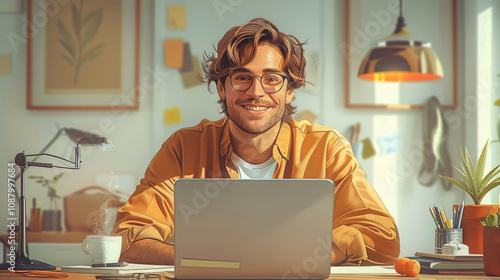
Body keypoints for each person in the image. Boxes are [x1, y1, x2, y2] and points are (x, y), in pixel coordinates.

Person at [111, 17, 400, 266]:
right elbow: (127, 237)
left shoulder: (326, 149)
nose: (256, 92)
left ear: (290, 91)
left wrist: (305, 259)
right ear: (222, 88)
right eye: (242, 78)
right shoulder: (184, 148)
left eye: (271, 78)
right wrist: (214, 262)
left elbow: (381, 237)